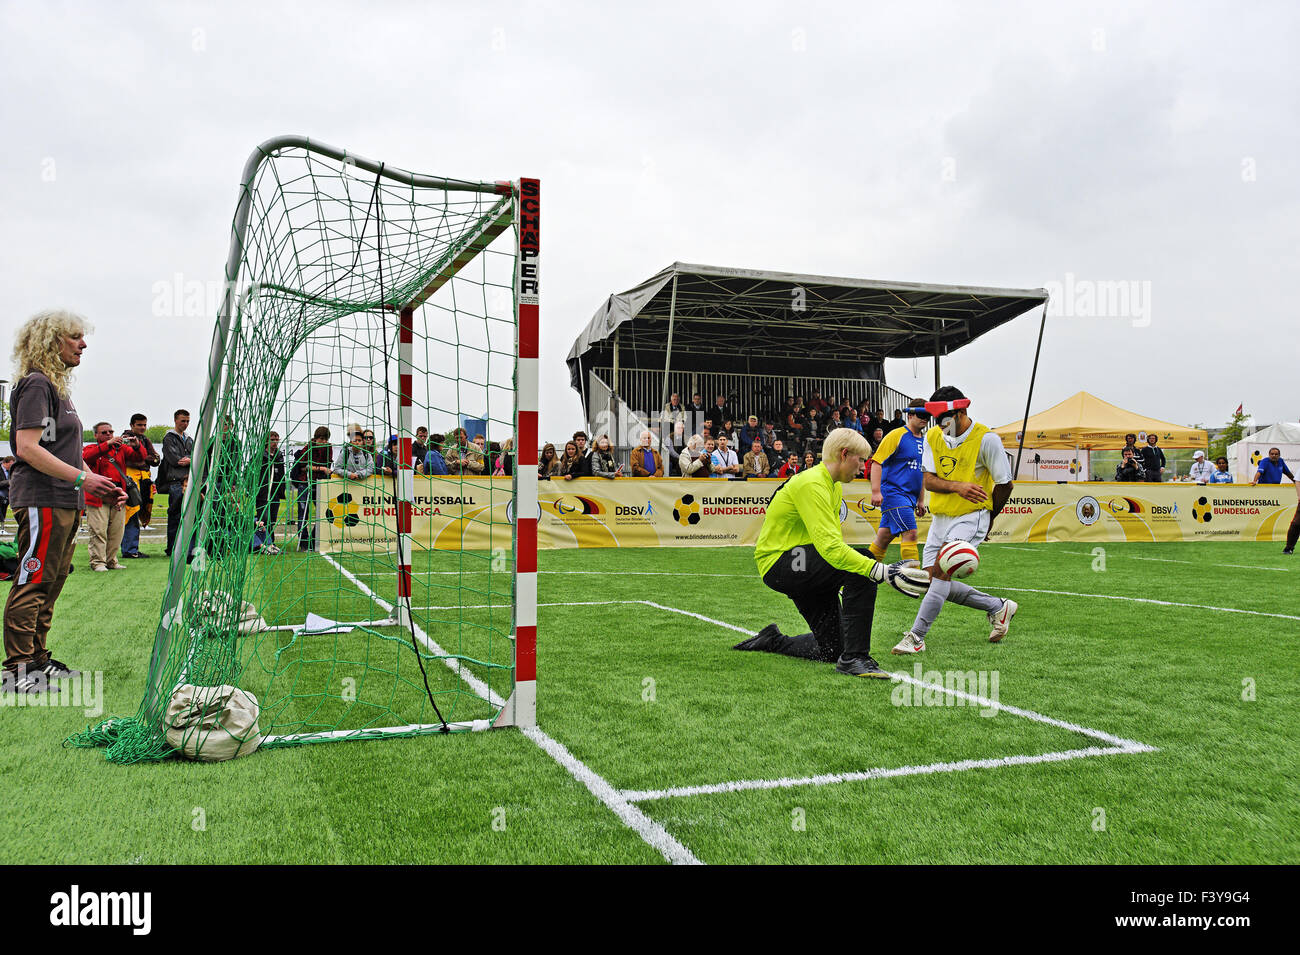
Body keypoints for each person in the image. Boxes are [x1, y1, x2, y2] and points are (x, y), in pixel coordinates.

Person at [732, 428, 929, 677]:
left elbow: (830, 546)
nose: (863, 468)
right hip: (781, 563)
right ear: (844, 454)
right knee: (863, 564)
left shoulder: (831, 485)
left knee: (833, 649)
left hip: (799, 562)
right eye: (860, 460)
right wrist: (882, 571)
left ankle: (773, 640)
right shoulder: (813, 483)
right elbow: (831, 548)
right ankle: (856, 659)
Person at [4, 309, 125, 695]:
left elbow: (64, 451)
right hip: (42, 499)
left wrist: (94, 482)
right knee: (34, 578)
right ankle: (18, 669)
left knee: (52, 581)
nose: (83, 344)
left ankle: (38, 661)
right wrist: (83, 477)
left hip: (64, 500)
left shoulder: (57, 389)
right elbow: (26, 447)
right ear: (51, 340)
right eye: (75, 337)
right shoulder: (37, 383)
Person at [892, 386, 1017, 656]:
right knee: (932, 579)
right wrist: (958, 486)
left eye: (946, 419)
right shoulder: (934, 436)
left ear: (962, 412)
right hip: (941, 517)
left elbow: (1005, 485)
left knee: (940, 575)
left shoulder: (987, 440)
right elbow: (927, 479)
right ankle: (998, 606)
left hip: (972, 516)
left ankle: (916, 637)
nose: (940, 425)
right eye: (937, 420)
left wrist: (988, 519)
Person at [864, 401, 930, 567]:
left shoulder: (926, 441)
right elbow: (877, 462)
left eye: (927, 416)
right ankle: (914, 579)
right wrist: (876, 491)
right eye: (921, 415)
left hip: (909, 498)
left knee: (882, 539)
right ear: (910, 415)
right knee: (911, 532)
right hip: (894, 494)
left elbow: (921, 471)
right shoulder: (896, 435)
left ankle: (859, 577)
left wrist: (920, 500)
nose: (925, 419)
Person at [82, 421, 146, 571]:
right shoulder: (91, 448)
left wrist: (136, 444)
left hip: (118, 494)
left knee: (116, 531)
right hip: (98, 496)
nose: (109, 434)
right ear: (96, 435)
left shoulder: (121, 449)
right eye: (104, 433)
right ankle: (98, 562)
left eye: (110, 432)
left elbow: (140, 458)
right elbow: (86, 457)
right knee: (98, 530)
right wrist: (108, 444)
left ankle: (111, 560)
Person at [118, 413, 160, 559]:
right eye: (139, 425)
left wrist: (147, 458)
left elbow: (156, 459)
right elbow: (132, 458)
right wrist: (146, 458)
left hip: (144, 479)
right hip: (131, 480)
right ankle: (129, 549)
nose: (142, 428)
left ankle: (131, 547)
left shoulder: (144, 439)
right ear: (131, 425)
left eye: (144, 425)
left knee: (142, 511)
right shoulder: (125, 439)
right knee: (131, 512)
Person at [290, 426, 332, 550]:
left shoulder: (328, 448)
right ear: (316, 438)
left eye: (326, 439)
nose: (324, 442)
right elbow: (303, 466)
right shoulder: (309, 447)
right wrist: (320, 468)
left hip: (320, 483)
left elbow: (328, 463)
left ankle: (313, 540)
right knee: (303, 514)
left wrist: (324, 469)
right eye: (322, 439)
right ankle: (303, 543)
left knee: (323, 513)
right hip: (305, 483)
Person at [161, 409, 194, 557]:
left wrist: (191, 459)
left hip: (189, 481)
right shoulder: (169, 438)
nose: (185, 424)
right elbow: (175, 460)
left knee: (189, 516)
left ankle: (185, 547)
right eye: (183, 421)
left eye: (187, 421)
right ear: (175, 420)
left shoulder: (189, 438)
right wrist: (191, 459)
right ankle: (172, 548)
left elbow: (198, 458)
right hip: (176, 482)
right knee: (175, 516)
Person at [252, 431, 286, 554]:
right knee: (263, 519)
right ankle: (265, 544)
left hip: (274, 493)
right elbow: (252, 473)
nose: (275, 442)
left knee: (272, 519)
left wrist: (282, 490)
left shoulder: (279, 455)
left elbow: (282, 474)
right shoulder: (260, 456)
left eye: (277, 439)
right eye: (272, 439)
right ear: (267, 441)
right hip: (262, 494)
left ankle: (271, 542)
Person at [0, 456, 13, 536]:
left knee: (4, 512)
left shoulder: (11, 471)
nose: (12, 466)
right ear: (5, 463)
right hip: (0, 495)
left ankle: (2, 529)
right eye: (11, 464)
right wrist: (8, 482)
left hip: (7, 496)